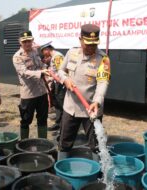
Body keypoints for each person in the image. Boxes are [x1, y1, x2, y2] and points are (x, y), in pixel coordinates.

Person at [58, 24, 111, 153]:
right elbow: (60, 71)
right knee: (64, 143)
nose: (91, 48)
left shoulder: (104, 59)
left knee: (96, 146)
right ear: (80, 39)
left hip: (91, 109)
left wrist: (97, 101)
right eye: (88, 44)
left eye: (94, 44)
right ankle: (62, 171)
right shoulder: (71, 53)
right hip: (71, 108)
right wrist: (65, 79)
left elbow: (103, 82)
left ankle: (97, 171)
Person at [13, 30, 49, 139]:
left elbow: (41, 64)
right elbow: (24, 73)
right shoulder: (17, 56)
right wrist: (41, 72)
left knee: (42, 119)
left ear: (32, 40)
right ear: (20, 42)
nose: (27, 43)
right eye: (24, 42)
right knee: (26, 120)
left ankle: (43, 143)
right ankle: (24, 144)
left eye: (29, 41)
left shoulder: (35, 52)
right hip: (28, 94)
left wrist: (45, 68)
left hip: (41, 92)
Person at [40, 42, 66, 133]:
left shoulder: (57, 56)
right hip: (56, 83)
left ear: (47, 49)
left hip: (60, 83)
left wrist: (51, 77)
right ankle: (58, 123)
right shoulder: (54, 56)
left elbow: (61, 72)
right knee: (57, 104)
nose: (43, 54)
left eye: (43, 51)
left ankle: (64, 126)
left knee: (61, 104)